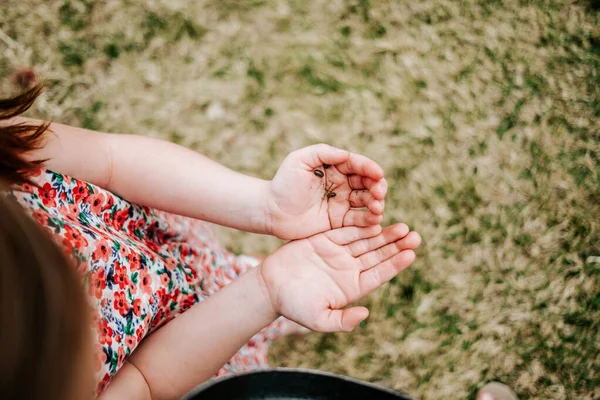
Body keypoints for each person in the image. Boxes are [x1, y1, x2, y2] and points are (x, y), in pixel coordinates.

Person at [1, 81, 422, 399]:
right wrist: (266, 290)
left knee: (218, 271)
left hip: (168, 251)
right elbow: (147, 380)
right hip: (189, 353)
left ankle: (243, 280)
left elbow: (111, 160)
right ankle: (257, 301)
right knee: (243, 308)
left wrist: (265, 205)